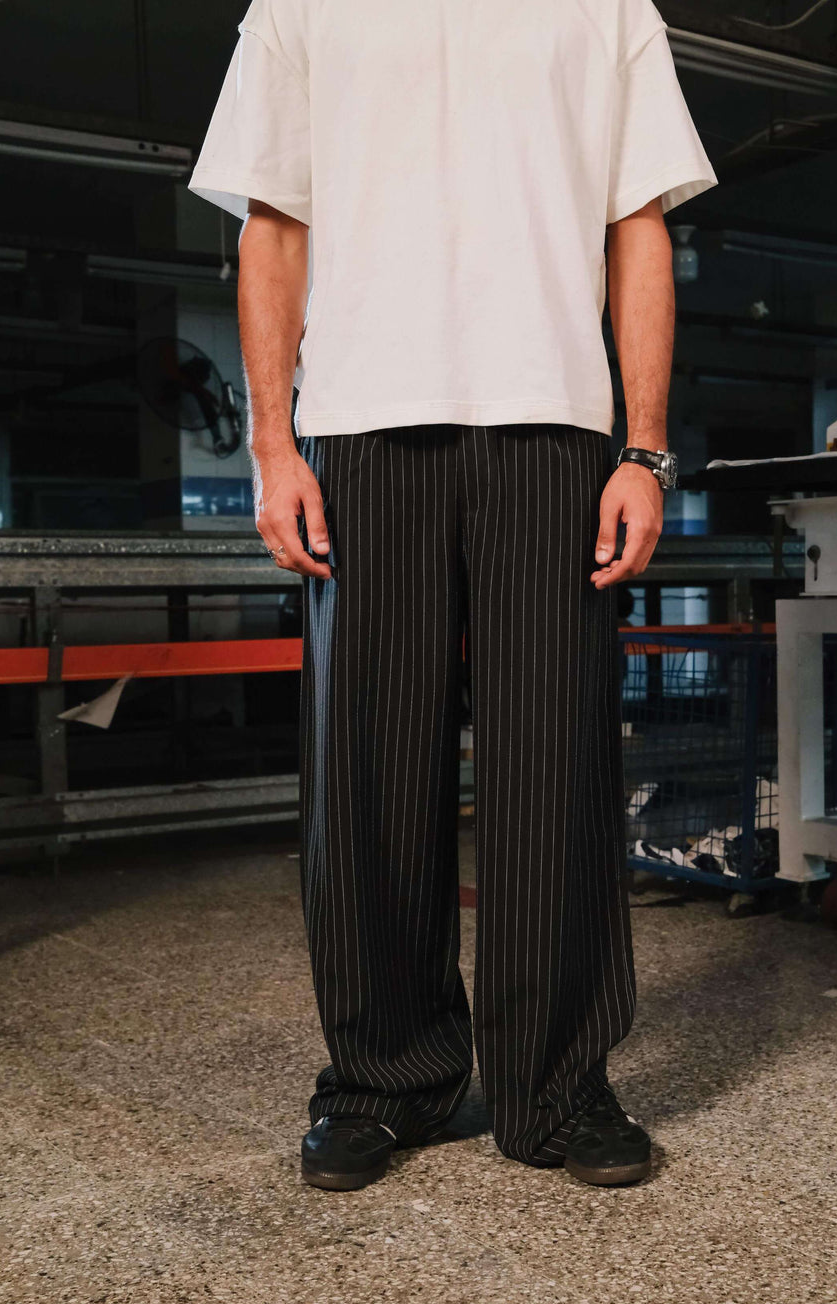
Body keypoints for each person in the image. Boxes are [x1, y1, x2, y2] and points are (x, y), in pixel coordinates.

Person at [189, 0, 716, 1190]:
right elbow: (273, 226)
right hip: (363, 430)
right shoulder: (300, 8)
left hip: (553, 428)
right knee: (368, 774)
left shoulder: (608, 9)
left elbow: (637, 228)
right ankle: (385, 1078)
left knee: (557, 764)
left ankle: (556, 1085)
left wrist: (642, 449)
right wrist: (271, 448)